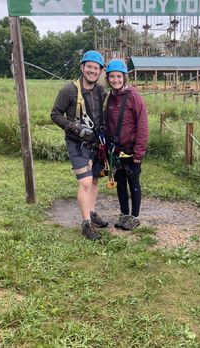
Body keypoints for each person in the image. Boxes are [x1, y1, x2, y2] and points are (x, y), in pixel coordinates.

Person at [51, 50, 108, 240]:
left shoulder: (100, 91)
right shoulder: (68, 90)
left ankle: (91, 213)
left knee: (94, 180)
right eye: (89, 67)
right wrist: (72, 127)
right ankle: (86, 225)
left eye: (96, 68)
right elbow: (55, 114)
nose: (92, 71)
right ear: (82, 67)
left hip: (96, 142)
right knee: (84, 182)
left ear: (100, 71)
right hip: (77, 143)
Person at [104, 59, 149, 230]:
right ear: (108, 78)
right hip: (115, 151)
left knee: (134, 182)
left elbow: (143, 125)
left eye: (119, 76)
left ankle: (135, 216)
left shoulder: (134, 96)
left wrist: (139, 152)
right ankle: (124, 214)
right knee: (120, 183)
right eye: (112, 77)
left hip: (131, 150)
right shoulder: (109, 97)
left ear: (124, 77)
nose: (116, 80)